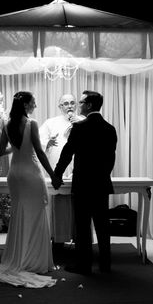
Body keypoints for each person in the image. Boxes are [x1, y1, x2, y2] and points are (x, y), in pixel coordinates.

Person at [0, 91, 57, 288]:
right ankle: (35, 261)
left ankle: (18, 257)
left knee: (19, 214)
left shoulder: (6, 123)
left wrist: (17, 147)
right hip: (31, 174)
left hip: (15, 174)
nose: (35, 105)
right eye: (34, 102)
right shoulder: (31, 123)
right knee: (36, 215)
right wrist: (53, 174)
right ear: (27, 105)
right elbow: (38, 151)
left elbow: (1, 151)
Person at [52, 90, 117, 275]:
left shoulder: (80, 128)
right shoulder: (110, 128)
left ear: (88, 105)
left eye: (80, 102)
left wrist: (57, 175)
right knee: (103, 226)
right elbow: (110, 159)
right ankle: (105, 265)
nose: (78, 105)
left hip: (82, 184)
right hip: (101, 184)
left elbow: (67, 153)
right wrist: (103, 176)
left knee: (83, 226)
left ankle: (84, 265)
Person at [39, 94, 85, 247]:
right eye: (65, 103)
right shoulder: (50, 123)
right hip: (57, 170)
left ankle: (80, 242)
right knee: (58, 208)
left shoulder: (84, 121)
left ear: (77, 105)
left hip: (80, 173)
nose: (69, 106)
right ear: (60, 107)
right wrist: (48, 142)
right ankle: (57, 241)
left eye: (72, 103)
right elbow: (37, 142)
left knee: (80, 210)